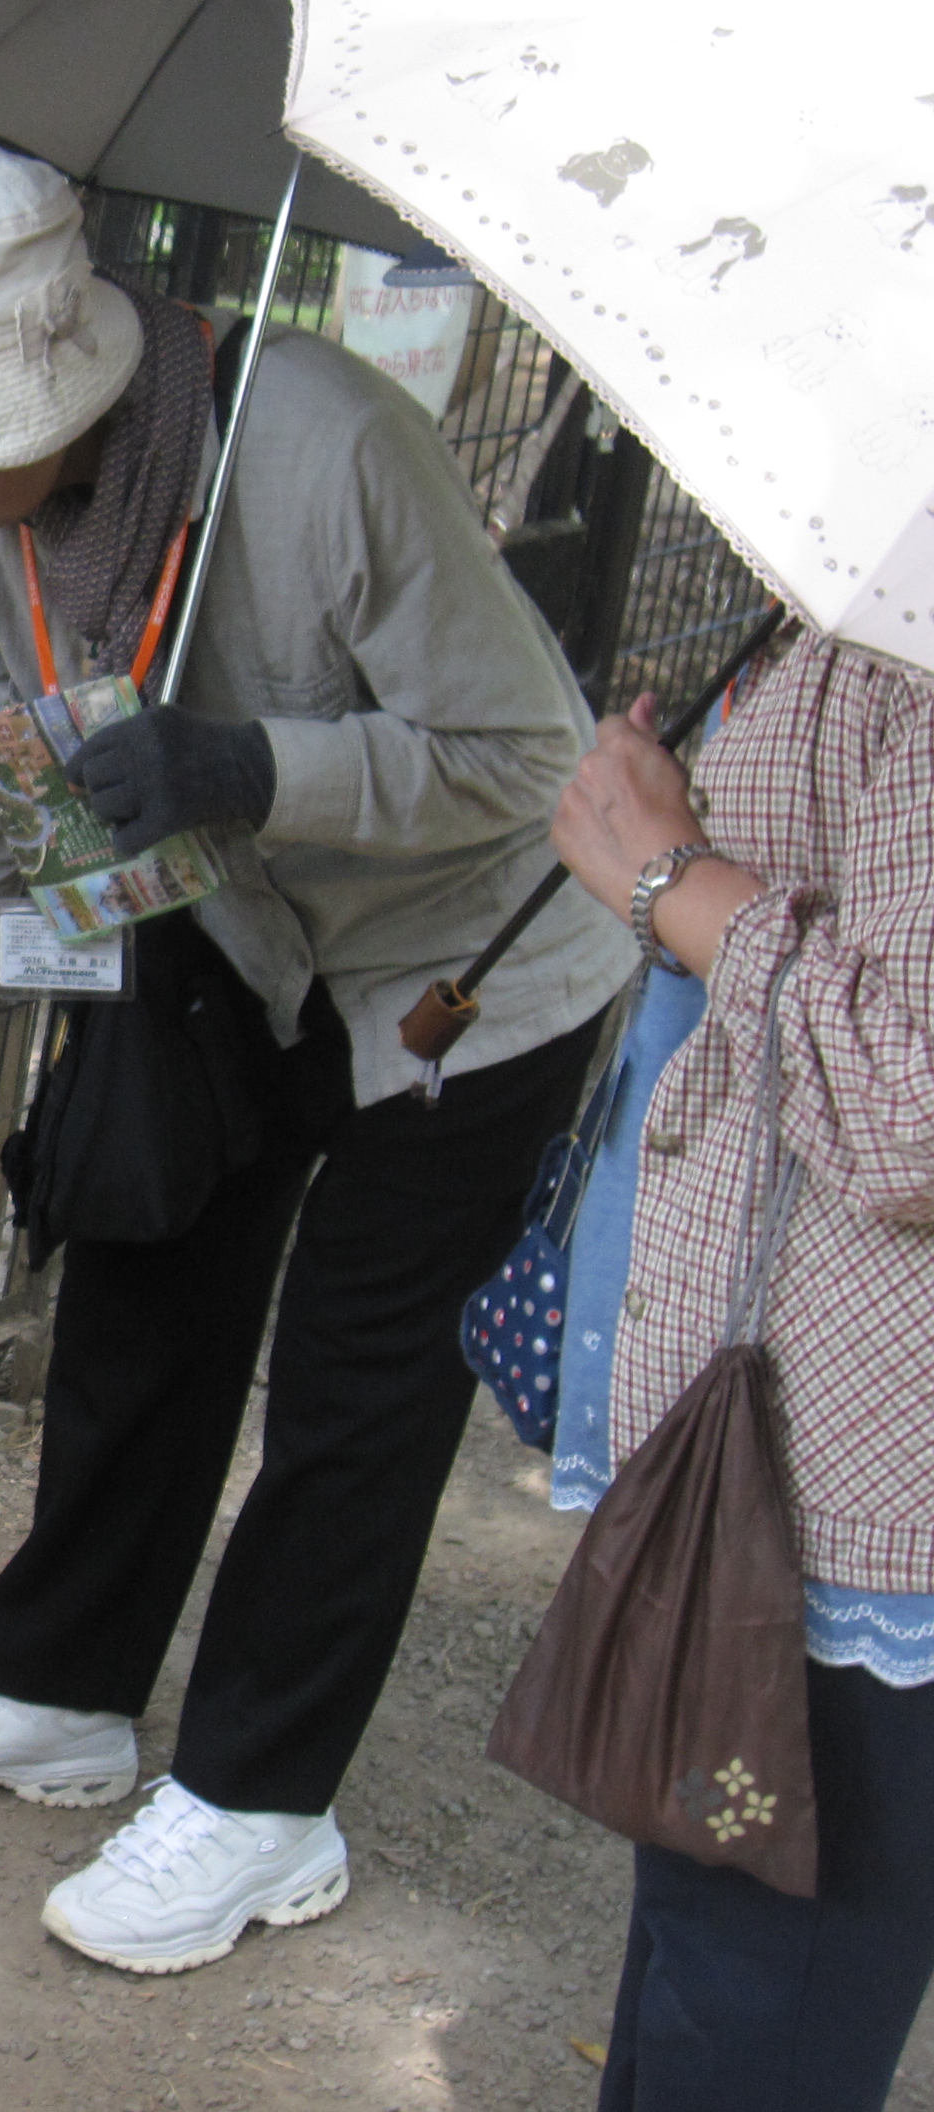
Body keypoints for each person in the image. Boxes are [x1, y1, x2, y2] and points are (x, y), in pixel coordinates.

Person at [0, 138, 636, 1973]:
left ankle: (259, 1799)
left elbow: (531, 760)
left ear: (47, 382)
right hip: (230, 936)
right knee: (142, 1292)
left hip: (464, 969)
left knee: (352, 1382)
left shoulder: (325, 443)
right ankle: (57, 1687)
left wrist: (255, 764)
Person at [547, 632, 934, 2111]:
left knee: (765, 2001)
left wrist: (672, 875)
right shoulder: (856, 605)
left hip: (863, 1474)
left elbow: (912, 1102)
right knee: (706, 1956)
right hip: (764, 1448)